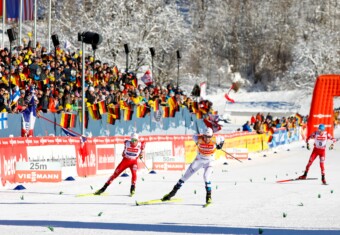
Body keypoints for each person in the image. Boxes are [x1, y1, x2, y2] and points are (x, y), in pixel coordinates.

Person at [162, 128, 224, 205]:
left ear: (212, 136)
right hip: (198, 160)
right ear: (203, 135)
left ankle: (208, 197)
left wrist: (221, 144)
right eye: (205, 136)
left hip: (209, 161)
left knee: (206, 177)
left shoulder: (216, 140)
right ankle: (172, 193)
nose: (207, 139)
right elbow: (193, 136)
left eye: (209, 137)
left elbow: (222, 138)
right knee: (184, 177)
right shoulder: (198, 138)